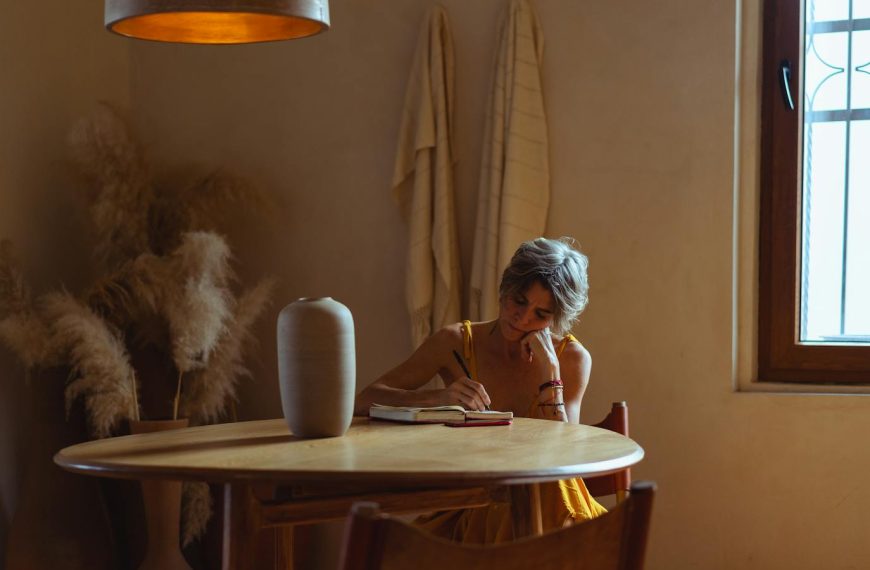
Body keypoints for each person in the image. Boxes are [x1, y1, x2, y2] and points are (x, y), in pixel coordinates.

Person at [354, 236, 606, 543]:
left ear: (557, 319)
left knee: (536, 491)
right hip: (473, 503)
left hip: (552, 505)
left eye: (541, 315)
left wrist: (549, 371)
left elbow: (564, 456)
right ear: (505, 289)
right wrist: (437, 399)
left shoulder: (571, 358)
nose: (524, 318)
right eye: (520, 300)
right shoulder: (457, 342)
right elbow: (364, 400)